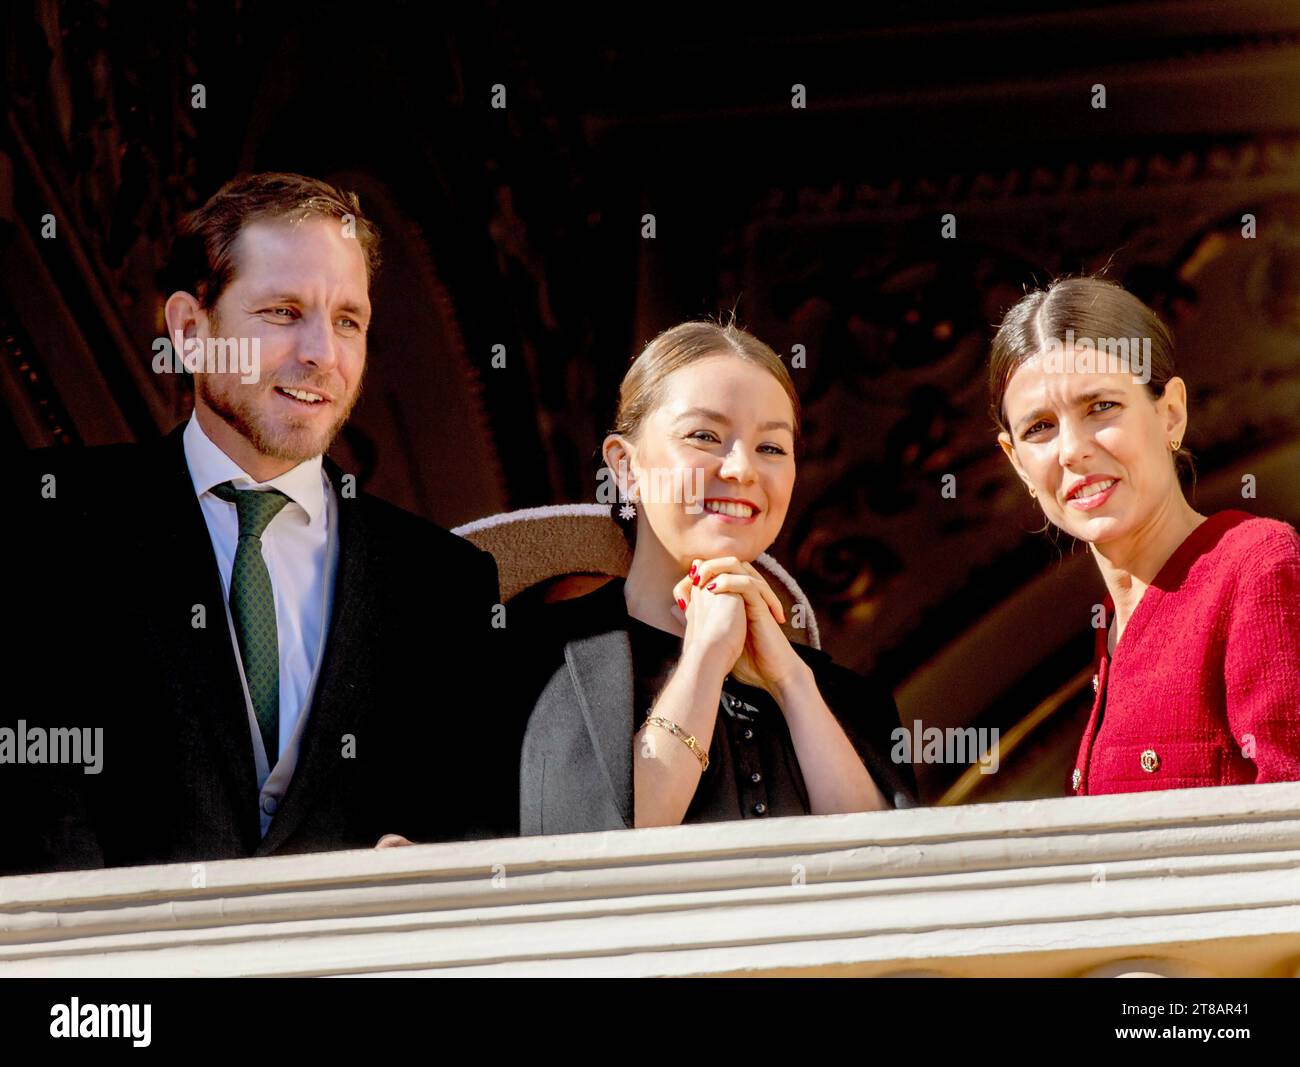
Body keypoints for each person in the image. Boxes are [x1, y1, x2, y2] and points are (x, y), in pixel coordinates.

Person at [2, 172, 511, 874]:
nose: (322, 354)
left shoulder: (444, 584)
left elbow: (480, 828)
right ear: (189, 330)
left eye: (348, 321)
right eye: (282, 311)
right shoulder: (47, 523)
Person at [512, 320, 915, 835]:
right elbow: (592, 864)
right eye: (705, 436)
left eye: (772, 448)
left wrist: (793, 685)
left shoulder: (853, 700)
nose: (742, 468)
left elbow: (887, 870)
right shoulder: (542, 657)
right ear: (626, 467)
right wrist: (704, 659)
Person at [989, 276, 1300, 795]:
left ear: (1170, 412)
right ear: (1016, 461)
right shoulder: (1111, 632)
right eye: (1039, 427)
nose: (1072, 450)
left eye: (1101, 407)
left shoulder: (1257, 567)